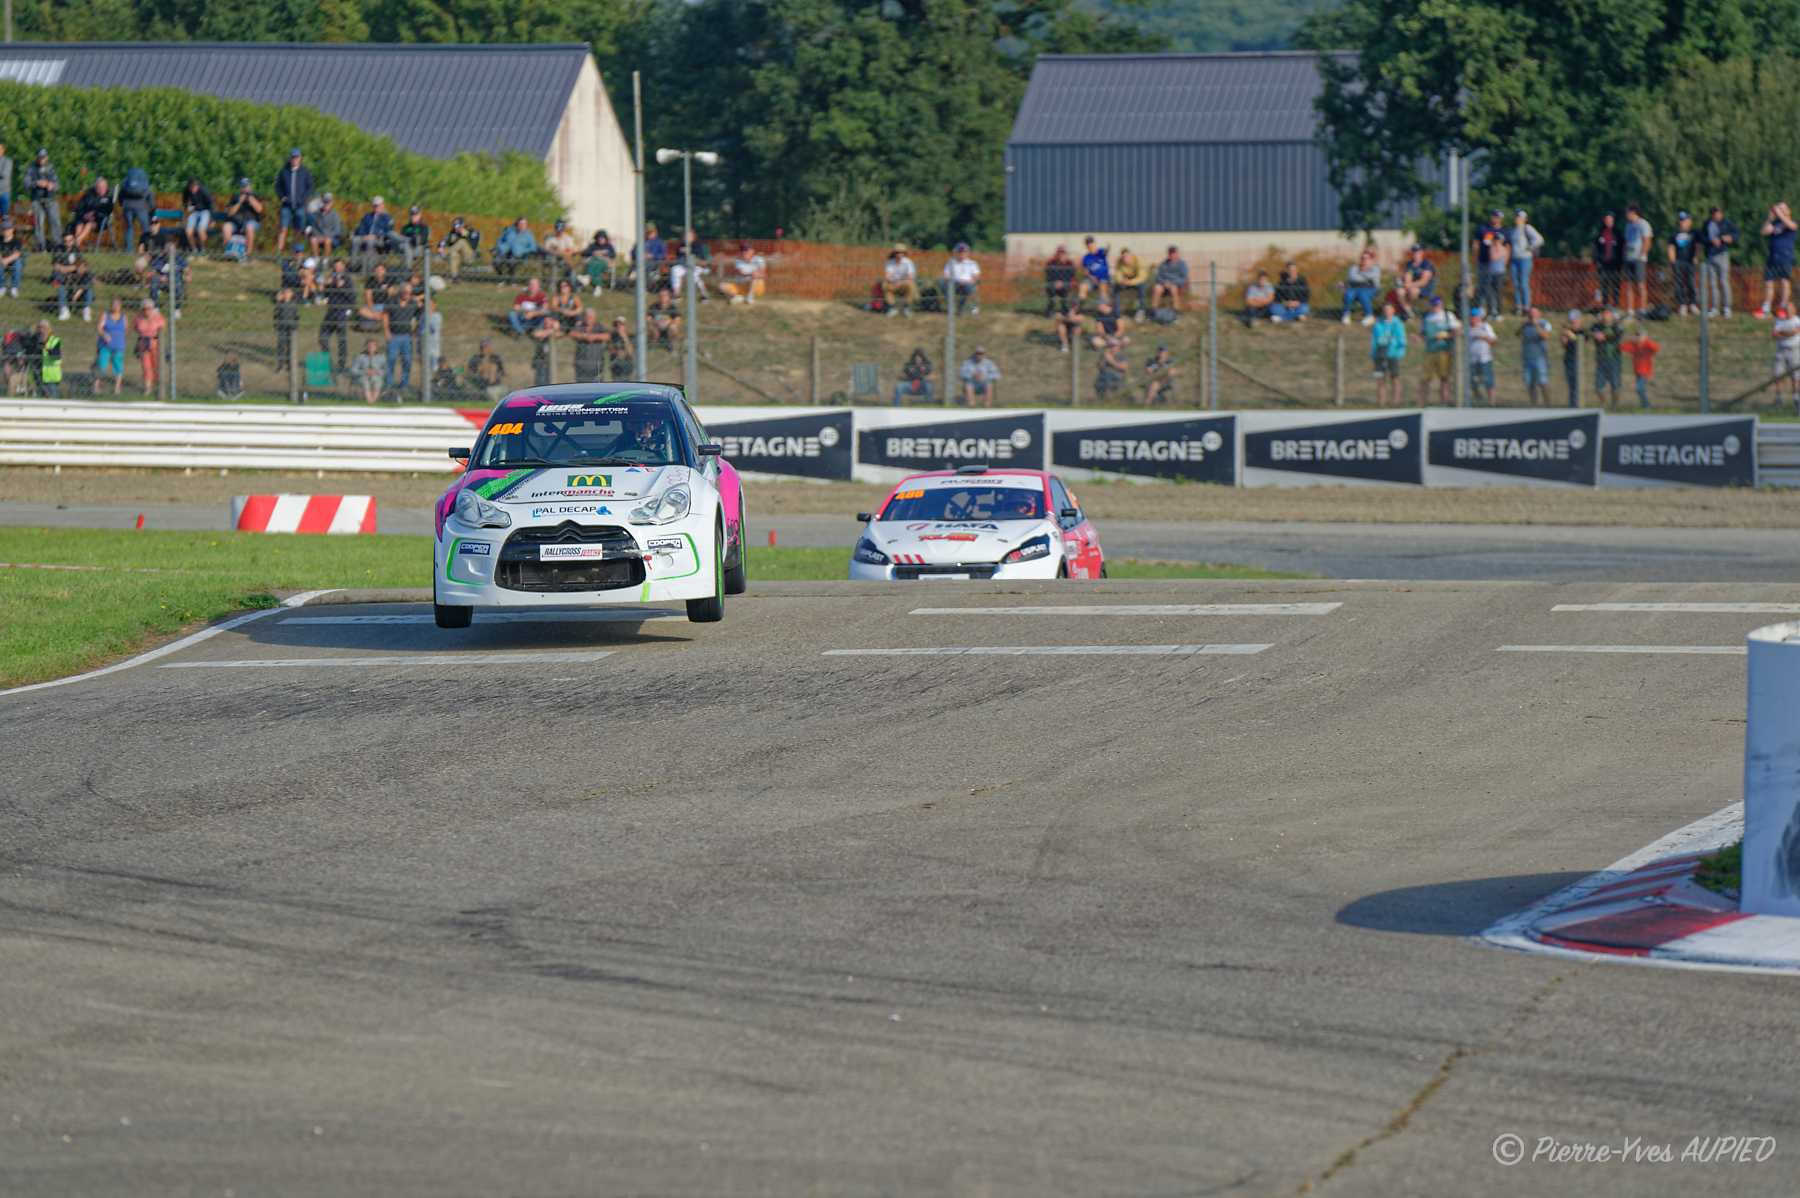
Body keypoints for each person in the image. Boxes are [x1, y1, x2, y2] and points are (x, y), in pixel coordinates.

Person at [1418, 295, 1458, 406]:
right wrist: (1418, 338)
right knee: (1425, 377)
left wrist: (1447, 335)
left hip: (1444, 350)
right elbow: (1423, 333)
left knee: (1444, 377)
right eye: (1434, 305)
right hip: (1430, 350)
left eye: (1437, 305)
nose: (1435, 307)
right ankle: (1423, 402)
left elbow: (1456, 331)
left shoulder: (1447, 316)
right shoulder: (1427, 317)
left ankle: (1445, 400)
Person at [1760, 202, 1797, 319]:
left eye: (1782, 208)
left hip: (1785, 257)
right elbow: (1764, 231)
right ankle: (1766, 309)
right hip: (1772, 257)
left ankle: (1783, 308)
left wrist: (1779, 213)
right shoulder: (1775, 223)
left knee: (1784, 282)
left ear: (1788, 211)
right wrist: (1769, 219)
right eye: (1778, 208)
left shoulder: (1793, 222)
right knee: (1768, 282)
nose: (1779, 210)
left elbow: (1791, 226)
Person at [274, 148, 314, 254]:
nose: (295, 159)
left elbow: (310, 187)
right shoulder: (284, 171)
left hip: (300, 205)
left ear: (300, 158)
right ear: (290, 158)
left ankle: (296, 253)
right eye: (293, 157)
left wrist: (304, 198)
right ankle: (279, 253)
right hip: (286, 205)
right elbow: (278, 186)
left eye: (297, 157)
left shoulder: (305, 172)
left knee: (298, 230)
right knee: (283, 228)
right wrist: (282, 197)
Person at [383, 284, 420, 395]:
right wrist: (386, 331)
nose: (406, 294)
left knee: (407, 361)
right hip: (393, 336)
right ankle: (389, 384)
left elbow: (418, 316)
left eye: (409, 292)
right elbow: (385, 316)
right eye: (404, 292)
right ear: (400, 292)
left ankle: (404, 384)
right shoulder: (391, 301)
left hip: (407, 337)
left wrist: (415, 330)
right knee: (391, 360)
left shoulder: (413, 303)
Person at [1701, 206, 1737, 318]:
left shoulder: (1727, 223)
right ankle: (1714, 308)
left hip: (1722, 254)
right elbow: (1702, 237)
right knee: (1712, 283)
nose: (1717, 216)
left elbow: (1736, 234)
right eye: (1714, 214)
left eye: (1718, 213)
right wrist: (1710, 241)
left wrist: (1728, 238)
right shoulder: (1707, 224)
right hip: (1710, 255)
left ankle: (1727, 307)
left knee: (1723, 281)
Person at [319, 258, 354, 370]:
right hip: (331, 312)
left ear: (344, 266)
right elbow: (326, 294)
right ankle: (327, 361)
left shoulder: (347, 279)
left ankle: (342, 365)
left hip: (341, 313)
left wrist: (342, 287)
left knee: (341, 339)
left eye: (340, 265)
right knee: (322, 337)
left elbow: (352, 297)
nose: (337, 268)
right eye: (336, 266)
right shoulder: (332, 278)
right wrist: (324, 286)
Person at [1507, 209, 1544, 313]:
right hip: (1514, 259)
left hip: (1525, 259)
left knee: (1523, 282)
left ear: (1524, 219)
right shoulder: (1513, 230)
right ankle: (1518, 306)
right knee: (1515, 283)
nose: (1517, 219)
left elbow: (1539, 239)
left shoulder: (1527, 228)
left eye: (1519, 217)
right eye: (1516, 217)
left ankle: (1526, 306)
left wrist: (1529, 247)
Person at [1370, 301, 1406, 405]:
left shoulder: (1398, 324)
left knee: (1395, 377)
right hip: (1379, 355)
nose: (1387, 312)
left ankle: (1396, 402)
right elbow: (1374, 340)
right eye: (1385, 310)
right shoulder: (1378, 324)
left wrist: (1399, 352)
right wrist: (1373, 354)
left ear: (1393, 311)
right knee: (1380, 379)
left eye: (1389, 309)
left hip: (1393, 354)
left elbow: (1402, 340)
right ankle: (1381, 402)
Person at [1621, 203, 1653, 318]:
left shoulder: (1643, 224)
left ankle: (1642, 309)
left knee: (1640, 284)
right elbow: (1626, 242)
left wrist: (1642, 255)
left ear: (1634, 213)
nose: (1626, 215)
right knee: (1629, 285)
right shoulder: (1628, 226)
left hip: (1639, 259)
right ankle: (1630, 309)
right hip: (1629, 258)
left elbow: (1647, 241)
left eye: (1628, 213)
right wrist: (1625, 255)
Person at [50, 231, 91, 322]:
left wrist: (67, 268)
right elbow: (56, 267)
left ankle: (86, 309)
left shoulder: (76, 249)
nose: (68, 243)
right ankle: (64, 310)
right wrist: (75, 267)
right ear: (63, 241)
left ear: (73, 240)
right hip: (63, 277)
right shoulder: (58, 249)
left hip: (76, 276)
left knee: (87, 278)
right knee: (60, 282)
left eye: (70, 240)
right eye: (66, 241)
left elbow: (83, 266)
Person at [1667, 210, 1701, 316]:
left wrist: (1696, 257)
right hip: (1678, 261)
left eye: (1685, 220)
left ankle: (1693, 304)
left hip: (1690, 261)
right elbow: (1671, 247)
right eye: (1681, 220)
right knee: (1679, 284)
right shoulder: (1674, 234)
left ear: (1689, 221)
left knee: (1691, 282)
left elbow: (1698, 246)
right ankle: (1682, 304)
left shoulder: (1694, 233)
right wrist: (1672, 261)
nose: (1683, 222)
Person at [1475, 209, 1507, 318]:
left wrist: (1505, 263)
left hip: (1497, 267)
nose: (1494, 218)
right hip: (1483, 262)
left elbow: (1507, 248)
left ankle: (1497, 311)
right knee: (1483, 287)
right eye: (1493, 216)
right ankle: (1482, 309)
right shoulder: (1483, 229)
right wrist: (1476, 257)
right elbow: (1476, 243)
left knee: (1496, 289)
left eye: (1497, 216)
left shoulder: (1504, 231)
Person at [351, 196, 396, 274]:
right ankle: (353, 266)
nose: (376, 207)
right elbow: (361, 227)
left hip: (380, 239)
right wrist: (363, 235)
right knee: (355, 240)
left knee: (370, 242)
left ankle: (369, 269)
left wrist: (376, 235)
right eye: (374, 205)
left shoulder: (387, 218)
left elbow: (389, 232)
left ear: (382, 205)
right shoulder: (367, 216)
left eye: (378, 205)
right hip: (366, 237)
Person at [1620, 322, 1660, 409]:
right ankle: (1645, 404)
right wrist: (1631, 339)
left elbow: (1656, 348)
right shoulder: (1634, 346)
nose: (1639, 337)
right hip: (1637, 371)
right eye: (1637, 335)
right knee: (1640, 390)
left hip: (1646, 371)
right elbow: (1622, 347)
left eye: (1640, 335)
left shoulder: (1647, 345)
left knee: (1639, 388)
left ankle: (1646, 405)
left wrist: (1646, 340)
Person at [220, 179, 263, 259]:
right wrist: (239, 202)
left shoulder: (255, 196)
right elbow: (230, 213)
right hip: (236, 223)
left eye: (246, 186)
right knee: (226, 227)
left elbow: (260, 209)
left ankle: (248, 254)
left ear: (250, 187)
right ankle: (229, 251)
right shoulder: (235, 197)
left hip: (252, 222)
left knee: (249, 227)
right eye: (243, 186)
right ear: (240, 188)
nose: (245, 188)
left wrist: (251, 199)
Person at [1518, 305, 1552, 405]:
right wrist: (1523, 325)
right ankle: (1534, 404)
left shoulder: (1544, 323)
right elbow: (1517, 334)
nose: (1532, 315)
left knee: (1542, 381)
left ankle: (1548, 404)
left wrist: (1536, 325)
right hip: (1527, 357)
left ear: (1539, 314)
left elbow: (1545, 336)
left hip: (1540, 357)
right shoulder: (1526, 325)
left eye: (1534, 313)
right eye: (1530, 313)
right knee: (1529, 382)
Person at [25, 149, 59, 249]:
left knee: (55, 221)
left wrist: (51, 185)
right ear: (37, 157)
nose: (41, 159)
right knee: (39, 223)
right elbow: (26, 184)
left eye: (43, 157)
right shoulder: (31, 168)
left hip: (50, 199)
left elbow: (58, 185)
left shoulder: (51, 168)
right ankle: (40, 246)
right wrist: (37, 183)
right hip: (37, 200)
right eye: (40, 157)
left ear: (47, 157)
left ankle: (57, 245)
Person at [1590, 307, 1624, 406]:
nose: (1606, 315)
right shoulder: (1597, 326)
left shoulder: (1617, 326)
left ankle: (1615, 405)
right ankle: (1603, 403)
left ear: (1612, 315)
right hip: (1601, 359)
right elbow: (1590, 332)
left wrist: (1603, 336)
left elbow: (1616, 336)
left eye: (1608, 313)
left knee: (1615, 384)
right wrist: (1595, 334)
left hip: (1614, 358)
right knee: (1598, 387)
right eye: (1604, 313)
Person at [69, 178, 113, 250]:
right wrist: (84, 215)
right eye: (100, 187)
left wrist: (95, 214)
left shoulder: (108, 197)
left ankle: (76, 242)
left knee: (89, 224)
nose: (102, 189)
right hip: (85, 218)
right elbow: (79, 207)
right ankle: (77, 247)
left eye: (104, 187)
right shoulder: (88, 195)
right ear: (96, 187)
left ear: (106, 187)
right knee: (79, 224)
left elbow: (108, 211)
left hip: (100, 221)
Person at [116, 166, 153, 250]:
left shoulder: (127, 180)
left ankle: (128, 250)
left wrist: (121, 204)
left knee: (129, 228)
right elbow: (149, 194)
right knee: (145, 228)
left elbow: (121, 194)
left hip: (128, 207)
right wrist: (151, 207)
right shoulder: (143, 180)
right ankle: (146, 248)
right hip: (141, 207)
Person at [1466, 306, 1498, 404]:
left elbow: (1493, 341)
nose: (1473, 318)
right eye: (1471, 316)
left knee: (1488, 380)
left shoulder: (1485, 326)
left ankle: (1491, 402)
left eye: (1475, 316)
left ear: (1479, 317)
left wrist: (1483, 337)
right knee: (1472, 381)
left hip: (1484, 358)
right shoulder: (1467, 328)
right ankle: (1479, 399)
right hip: (1472, 360)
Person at [133, 298, 164, 396]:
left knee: (156, 365)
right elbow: (135, 328)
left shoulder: (158, 317)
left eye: (149, 309)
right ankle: (148, 388)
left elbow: (162, 328)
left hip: (155, 343)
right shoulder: (138, 318)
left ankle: (158, 386)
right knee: (146, 367)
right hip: (143, 343)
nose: (146, 311)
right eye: (144, 309)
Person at [95, 296, 127, 395]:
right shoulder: (105, 315)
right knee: (102, 365)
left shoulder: (123, 317)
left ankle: (117, 387)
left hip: (118, 346)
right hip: (105, 345)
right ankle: (96, 386)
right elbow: (99, 328)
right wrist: (104, 334)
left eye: (117, 305)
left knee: (118, 366)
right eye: (114, 304)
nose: (115, 307)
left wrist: (119, 339)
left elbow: (125, 329)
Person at [1592, 212, 1623, 309]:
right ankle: (1605, 304)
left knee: (1615, 283)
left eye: (1610, 220)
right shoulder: (1600, 232)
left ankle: (1616, 303)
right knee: (1604, 283)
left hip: (1615, 263)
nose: (1608, 222)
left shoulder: (1618, 232)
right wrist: (1596, 259)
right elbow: (1596, 247)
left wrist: (1621, 260)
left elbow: (1621, 247)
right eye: (1606, 220)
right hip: (1603, 262)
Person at [1773, 306, 1800, 409]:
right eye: (1786, 310)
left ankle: (1796, 398)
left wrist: (1783, 333)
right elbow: (1774, 334)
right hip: (1781, 351)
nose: (1788, 312)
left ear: (1794, 310)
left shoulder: (1797, 321)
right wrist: (1788, 333)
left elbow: (1795, 332)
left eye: (1790, 310)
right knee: (1777, 374)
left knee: (1795, 376)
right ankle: (1779, 398)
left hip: (1794, 351)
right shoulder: (1779, 321)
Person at [1342, 249, 1379, 324]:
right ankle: (1346, 314)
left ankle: (1369, 316)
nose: (1364, 260)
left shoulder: (1375, 268)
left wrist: (1361, 273)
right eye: (1362, 258)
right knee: (1348, 294)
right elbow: (1352, 277)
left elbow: (1372, 276)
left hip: (1371, 289)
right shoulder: (1354, 268)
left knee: (1363, 294)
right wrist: (1364, 276)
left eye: (1366, 258)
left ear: (1371, 260)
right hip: (1354, 288)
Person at [569, 309, 607, 382]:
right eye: (587, 317)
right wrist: (585, 336)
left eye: (590, 317)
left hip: (597, 366)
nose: (588, 319)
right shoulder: (580, 326)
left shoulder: (599, 326)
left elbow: (607, 336)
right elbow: (572, 334)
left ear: (595, 318)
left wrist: (595, 337)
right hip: (581, 365)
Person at [942, 243, 980, 315]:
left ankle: (971, 308)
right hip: (954, 283)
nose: (962, 254)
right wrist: (955, 281)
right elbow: (946, 275)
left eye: (964, 252)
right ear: (956, 253)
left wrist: (969, 282)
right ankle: (951, 307)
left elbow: (976, 276)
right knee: (942, 284)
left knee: (969, 288)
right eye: (960, 252)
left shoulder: (972, 263)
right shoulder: (951, 262)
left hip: (968, 283)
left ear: (968, 253)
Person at [1150, 246, 1188, 312]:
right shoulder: (1164, 264)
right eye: (1171, 254)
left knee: (1173, 289)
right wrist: (1164, 282)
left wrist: (1173, 283)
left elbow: (1183, 278)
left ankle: (1176, 311)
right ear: (1168, 255)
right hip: (1164, 284)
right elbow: (1158, 276)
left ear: (1177, 254)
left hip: (1176, 285)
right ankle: (1154, 310)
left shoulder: (1182, 264)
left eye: (1174, 253)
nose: (1172, 255)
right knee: (1157, 288)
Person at [1112, 248, 1149, 320]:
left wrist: (1130, 282)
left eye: (1127, 256)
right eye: (1123, 257)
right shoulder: (1119, 262)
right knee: (1115, 288)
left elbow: (1142, 277)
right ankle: (1117, 313)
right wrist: (1121, 281)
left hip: (1137, 281)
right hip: (1126, 281)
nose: (1125, 259)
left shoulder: (1139, 260)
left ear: (1131, 255)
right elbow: (1117, 275)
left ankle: (1141, 311)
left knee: (1142, 287)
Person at [882, 244, 918, 317]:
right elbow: (887, 276)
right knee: (885, 285)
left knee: (911, 285)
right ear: (894, 253)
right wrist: (893, 281)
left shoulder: (908, 262)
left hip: (904, 283)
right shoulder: (889, 262)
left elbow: (911, 277)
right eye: (897, 252)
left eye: (901, 252)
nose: (899, 254)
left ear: (904, 253)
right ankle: (892, 307)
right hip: (893, 283)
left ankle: (907, 308)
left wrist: (900, 282)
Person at [308, 193, 344, 261]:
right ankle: (316, 260)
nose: (326, 204)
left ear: (332, 203)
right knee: (313, 239)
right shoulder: (317, 214)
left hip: (332, 238)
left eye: (328, 202)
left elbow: (337, 231)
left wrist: (325, 236)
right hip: (319, 237)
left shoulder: (335, 215)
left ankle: (326, 261)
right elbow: (314, 228)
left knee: (327, 241)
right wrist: (318, 236)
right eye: (325, 202)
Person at [272, 285, 300, 371]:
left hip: (291, 327)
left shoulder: (294, 302)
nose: (287, 294)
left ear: (291, 294)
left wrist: (296, 325)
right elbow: (275, 314)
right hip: (281, 327)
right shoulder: (280, 303)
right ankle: (280, 364)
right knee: (281, 345)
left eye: (289, 292)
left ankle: (289, 364)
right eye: (285, 293)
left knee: (290, 346)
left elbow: (296, 316)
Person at [1560, 309, 1584, 407]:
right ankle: (1572, 404)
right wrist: (1564, 336)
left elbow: (1580, 342)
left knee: (1578, 384)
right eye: (1571, 320)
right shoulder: (1567, 331)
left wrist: (1571, 335)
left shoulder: (1582, 331)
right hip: (1569, 359)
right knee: (1571, 384)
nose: (1573, 322)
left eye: (1575, 319)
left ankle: (1578, 403)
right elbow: (1563, 344)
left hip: (1578, 360)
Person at [182, 178, 215, 251]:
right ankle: (194, 250)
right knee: (188, 231)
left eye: (194, 187)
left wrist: (212, 219)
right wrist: (185, 214)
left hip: (205, 211)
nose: (192, 189)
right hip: (194, 211)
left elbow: (211, 205)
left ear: (197, 186)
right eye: (191, 187)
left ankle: (203, 249)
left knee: (201, 230)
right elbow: (184, 202)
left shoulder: (204, 191)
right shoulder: (187, 190)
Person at [1043, 245, 1077, 314]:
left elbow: (1071, 277)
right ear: (1057, 254)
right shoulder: (1051, 263)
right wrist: (1056, 282)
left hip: (1065, 284)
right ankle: (1050, 310)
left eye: (1063, 253)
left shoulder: (1070, 263)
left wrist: (1062, 282)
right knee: (1051, 291)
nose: (1061, 255)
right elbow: (1049, 276)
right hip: (1053, 284)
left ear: (1066, 255)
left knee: (1066, 292)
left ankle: (1065, 309)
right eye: (1060, 253)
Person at [1402, 245, 1437, 311]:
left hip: (1426, 288)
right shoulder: (1409, 264)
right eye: (1414, 252)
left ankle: (1415, 310)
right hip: (1412, 287)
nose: (1415, 254)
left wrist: (1409, 285)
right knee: (1400, 292)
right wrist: (1407, 285)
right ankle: (1409, 313)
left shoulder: (1427, 264)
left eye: (1417, 252)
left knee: (1412, 291)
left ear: (1422, 253)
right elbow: (1407, 277)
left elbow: (1424, 282)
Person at [529, 315, 561, 385]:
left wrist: (549, 332)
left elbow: (559, 334)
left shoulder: (558, 331)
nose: (546, 323)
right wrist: (551, 331)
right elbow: (536, 334)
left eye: (549, 321)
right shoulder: (541, 328)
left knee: (552, 380)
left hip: (553, 361)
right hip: (541, 359)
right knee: (540, 381)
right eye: (545, 322)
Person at [33, 319, 61, 397]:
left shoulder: (54, 340)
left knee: (53, 398)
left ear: (49, 329)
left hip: (51, 376)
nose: (42, 330)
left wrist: (45, 348)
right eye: (39, 328)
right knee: (41, 399)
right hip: (39, 374)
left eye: (44, 328)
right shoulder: (36, 340)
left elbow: (56, 356)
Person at [352, 338, 385, 404]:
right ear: (366, 347)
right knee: (365, 383)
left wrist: (378, 372)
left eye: (373, 346)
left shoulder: (381, 357)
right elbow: (353, 370)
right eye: (369, 346)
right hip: (363, 376)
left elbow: (386, 369)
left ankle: (372, 401)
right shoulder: (360, 357)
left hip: (376, 375)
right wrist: (364, 372)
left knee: (377, 382)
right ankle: (370, 401)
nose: (371, 348)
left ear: (376, 347)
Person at [648, 284, 682, 350]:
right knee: (651, 327)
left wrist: (669, 322)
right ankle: (653, 344)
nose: (662, 298)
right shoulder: (654, 307)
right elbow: (648, 318)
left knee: (673, 327)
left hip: (668, 328)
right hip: (657, 327)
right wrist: (654, 322)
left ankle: (671, 344)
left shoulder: (672, 307)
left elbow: (678, 320)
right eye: (661, 296)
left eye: (665, 296)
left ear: (669, 297)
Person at [1078, 236, 1110, 302]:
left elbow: (1106, 251)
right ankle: (1079, 308)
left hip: (1103, 278)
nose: (1090, 245)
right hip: (1092, 279)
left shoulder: (1100, 252)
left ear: (1094, 244)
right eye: (1088, 244)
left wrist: (1108, 246)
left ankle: (1105, 306)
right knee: (1083, 287)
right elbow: (1086, 271)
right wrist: (1092, 278)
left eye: (1091, 243)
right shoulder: (1086, 257)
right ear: (1086, 246)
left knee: (1103, 285)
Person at [0, 217, 24, 298]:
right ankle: (2, 287)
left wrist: (6, 260)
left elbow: (17, 254)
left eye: (8, 228)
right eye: (4, 229)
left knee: (18, 263)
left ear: (12, 229)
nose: (6, 231)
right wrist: (2, 260)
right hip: (2, 261)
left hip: (13, 261)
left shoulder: (17, 241)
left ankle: (14, 287)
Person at [606, 316, 635, 380]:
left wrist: (624, 336)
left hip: (627, 368)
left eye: (621, 324)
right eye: (616, 325)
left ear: (625, 326)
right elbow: (610, 350)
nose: (618, 326)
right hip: (616, 368)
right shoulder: (613, 337)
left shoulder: (630, 337)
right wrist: (617, 352)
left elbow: (631, 352)